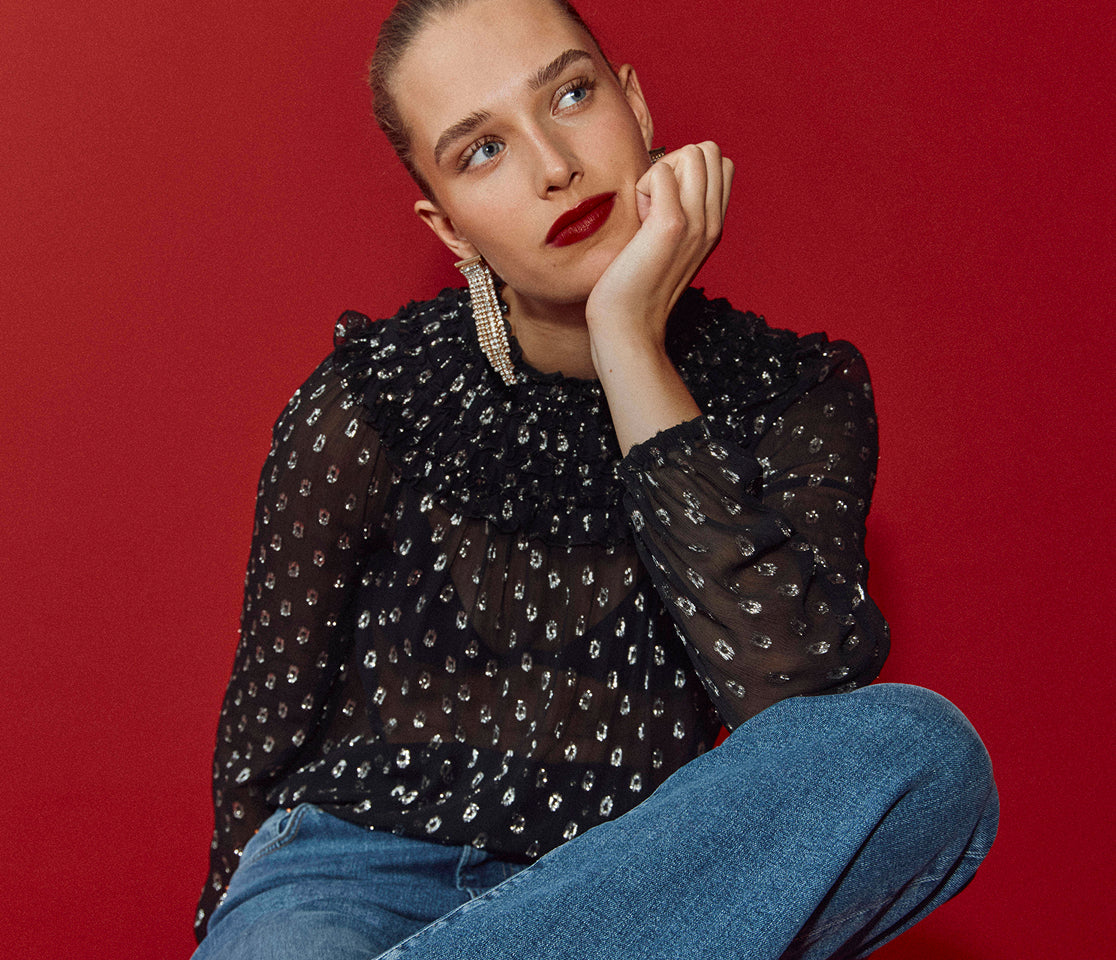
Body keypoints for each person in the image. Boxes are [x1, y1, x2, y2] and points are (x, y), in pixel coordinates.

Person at [192, 0, 998, 957]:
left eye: (571, 95)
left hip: (640, 895)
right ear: (446, 226)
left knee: (918, 749)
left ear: (637, 107)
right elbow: (264, 731)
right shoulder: (371, 399)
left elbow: (799, 718)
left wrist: (628, 339)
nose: (553, 166)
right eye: (481, 150)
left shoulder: (792, 394)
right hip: (345, 880)